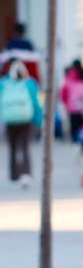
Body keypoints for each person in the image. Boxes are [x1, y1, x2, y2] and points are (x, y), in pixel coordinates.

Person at [1, 58, 41, 187]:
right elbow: (36, 103)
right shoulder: (30, 83)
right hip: (26, 119)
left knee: (12, 148)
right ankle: (26, 173)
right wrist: (39, 121)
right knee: (25, 147)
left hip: (9, 120)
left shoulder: (3, 83)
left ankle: (13, 175)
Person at [61, 60, 83, 157]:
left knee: (75, 127)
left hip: (72, 107)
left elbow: (64, 92)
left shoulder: (69, 77)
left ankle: (78, 144)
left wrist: (66, 104)